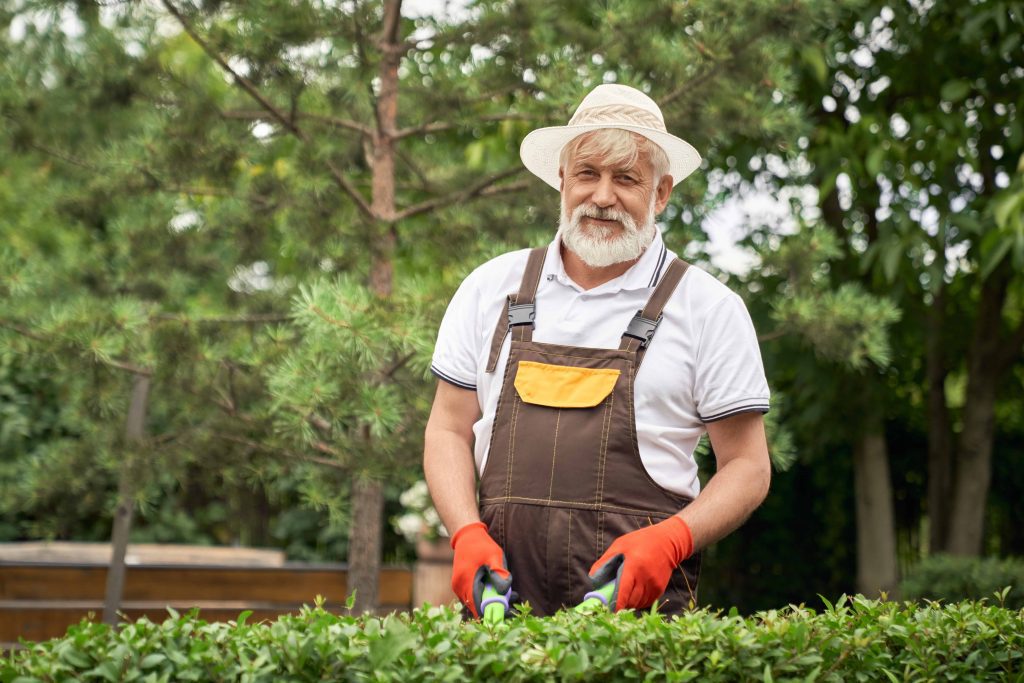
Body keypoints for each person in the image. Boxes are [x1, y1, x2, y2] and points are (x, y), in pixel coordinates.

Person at [423, 83, 771, 618]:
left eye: (626, 178)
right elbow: (448, 428)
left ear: (661, 193)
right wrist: (466, 533)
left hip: (638, 623)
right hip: (498, 615)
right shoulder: (492, 288)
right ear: (562, 181)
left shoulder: (709, 309)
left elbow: (747, 466)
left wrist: (673, 540)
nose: (603, 196)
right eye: (587, 173)